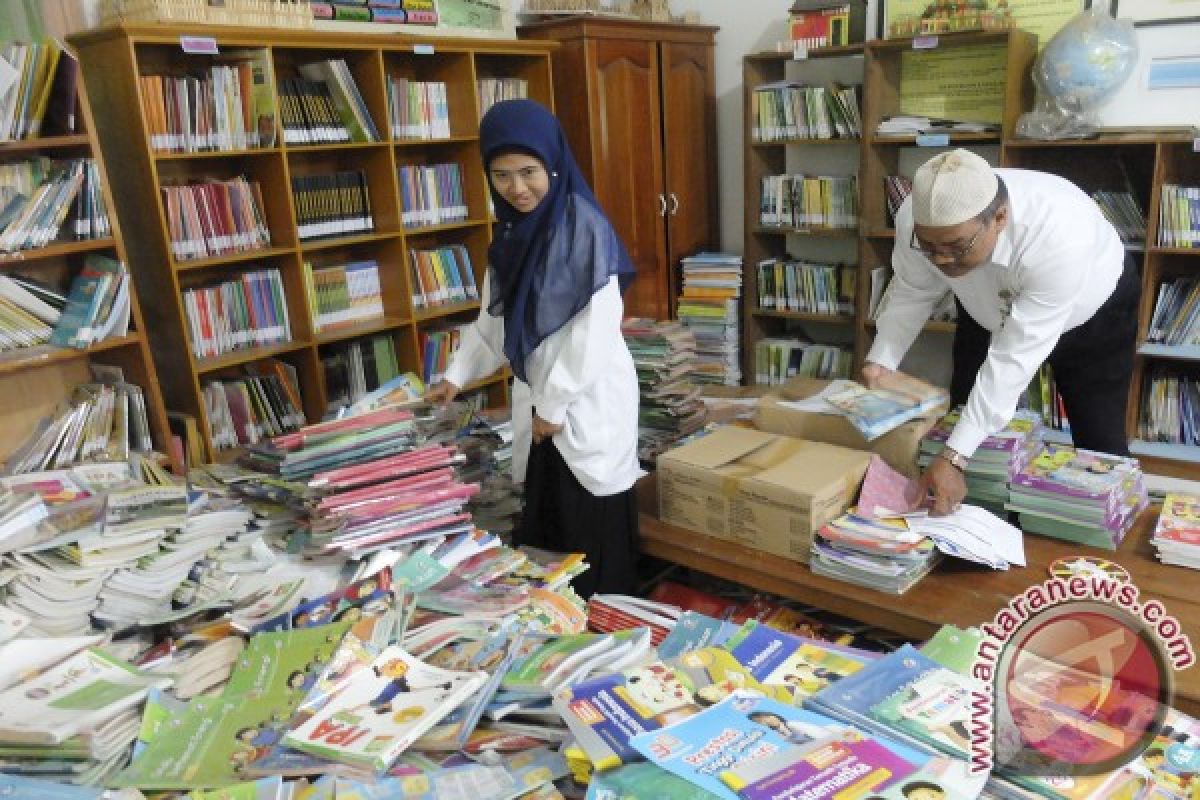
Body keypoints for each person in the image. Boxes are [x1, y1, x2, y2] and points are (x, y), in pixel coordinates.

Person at [424, 98, 643, 596]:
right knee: (549, 529)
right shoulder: (512, 235)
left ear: (553, 164)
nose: (517, 188)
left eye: (528, 172)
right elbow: (493, 322)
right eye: (501, 175)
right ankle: (559, 631)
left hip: (583, 402)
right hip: (543, 408)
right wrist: (456, 375)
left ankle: (606, 628)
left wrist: (557, 400)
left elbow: (596, 328)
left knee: (592, 526)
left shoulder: (583, 229)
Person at [864, 149, 1138, 515]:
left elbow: (1013, 359)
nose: (942, 259)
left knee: (1098, 438)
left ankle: (1104, 541)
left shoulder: (1058, 233)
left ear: (999, 218)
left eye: (956, 246)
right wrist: (882, 360)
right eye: (929, 248)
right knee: (963, 416)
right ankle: (969, 519)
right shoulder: (918, 218)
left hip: (1090, 314)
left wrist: (955, 457)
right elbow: (914, 289)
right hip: (984, 305)